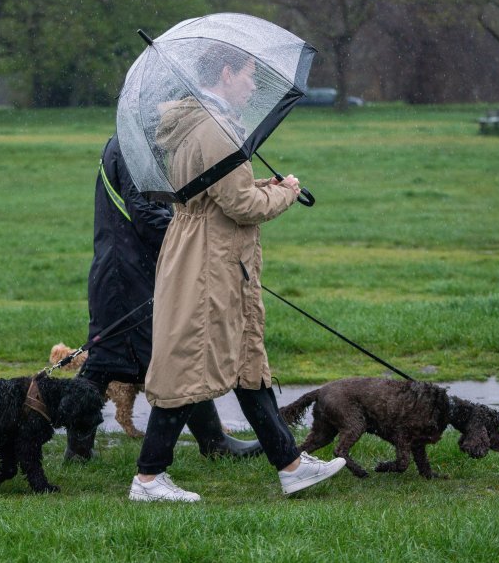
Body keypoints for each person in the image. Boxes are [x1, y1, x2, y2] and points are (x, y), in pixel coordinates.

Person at [128, 44, 346, 502]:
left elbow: (215, 190)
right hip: (210, 260)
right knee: (190, 363)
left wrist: (260, 184)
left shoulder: (199, 122)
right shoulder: (215, 128)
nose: (252, 85)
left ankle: (289, 465)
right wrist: (286, 192)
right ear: (225, 74)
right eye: (248, 75)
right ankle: (149, 478)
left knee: (247, 363)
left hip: (210, 252)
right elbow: (241, 205)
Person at [64, 135, 263, 463]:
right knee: (132, 357)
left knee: (147, 352)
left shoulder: (138, 144)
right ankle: (210, 442)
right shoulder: (133, 147)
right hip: (124, 274)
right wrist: (192, 243)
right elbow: (145, 213)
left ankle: (212, 441)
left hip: (133, 266)